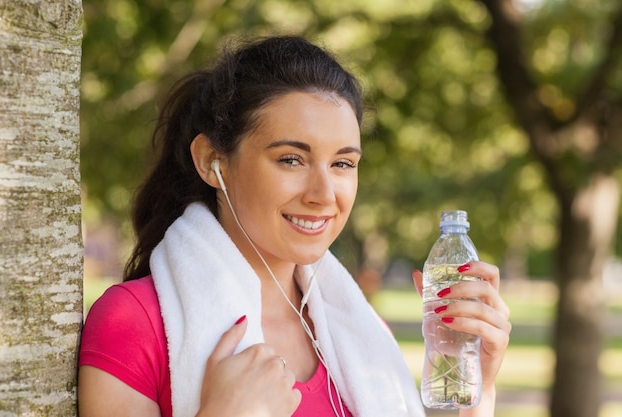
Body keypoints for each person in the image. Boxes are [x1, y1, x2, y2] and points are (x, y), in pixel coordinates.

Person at [78, 35, 511, 417]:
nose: (324, 193)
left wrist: (476, 390)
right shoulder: (132, 323)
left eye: (343, 163)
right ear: (212, 161)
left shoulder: (362, 330)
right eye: (291, 159)